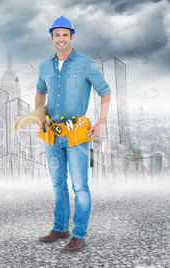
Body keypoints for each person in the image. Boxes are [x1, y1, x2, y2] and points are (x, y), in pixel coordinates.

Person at [35, 16, 111, 252]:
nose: (61, 39)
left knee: (80, 186)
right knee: (58, 185)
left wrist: (100, 123)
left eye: (65, 35)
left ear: (71, 37)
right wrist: (40, 118)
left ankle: (78, 234)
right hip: (52, 135)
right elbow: (40, 93)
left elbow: (105, 93)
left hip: (77, 134)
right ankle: (60, 228)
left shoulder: (86, 63)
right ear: (51, 37)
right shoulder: (45, 66)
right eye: (56, 35)